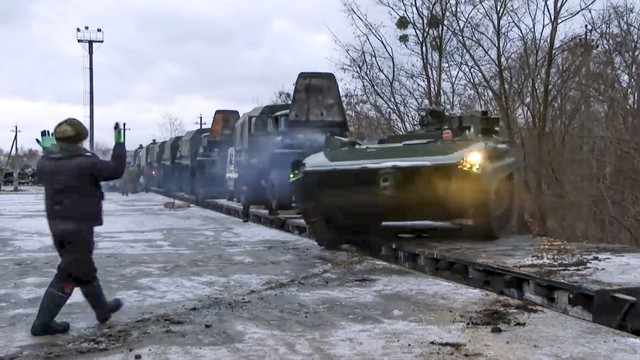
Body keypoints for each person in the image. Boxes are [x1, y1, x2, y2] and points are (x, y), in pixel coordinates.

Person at [30, 118, 126, 336]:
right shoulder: (87, 162)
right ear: (80, 140)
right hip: (80, 228)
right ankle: (42, 323)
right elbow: (115, 170)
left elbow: (48, 167)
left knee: (84, 270)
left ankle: (103, 311)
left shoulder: (45, 163)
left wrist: (47, 151)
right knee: (69, 274)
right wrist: (119, 144)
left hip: (57, 227)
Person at [239, 157, 277, 222]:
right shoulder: (249, 169)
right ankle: (245, 216)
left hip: (256, 187)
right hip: (252, 187)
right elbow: (243, 177)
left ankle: (271, 212)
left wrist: (264, 184)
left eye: (256, 159)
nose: (255, 161)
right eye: (254, 159)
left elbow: (262, 179)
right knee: (247, 202)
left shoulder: (257, 169)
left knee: (265, 200)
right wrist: (243, 185)